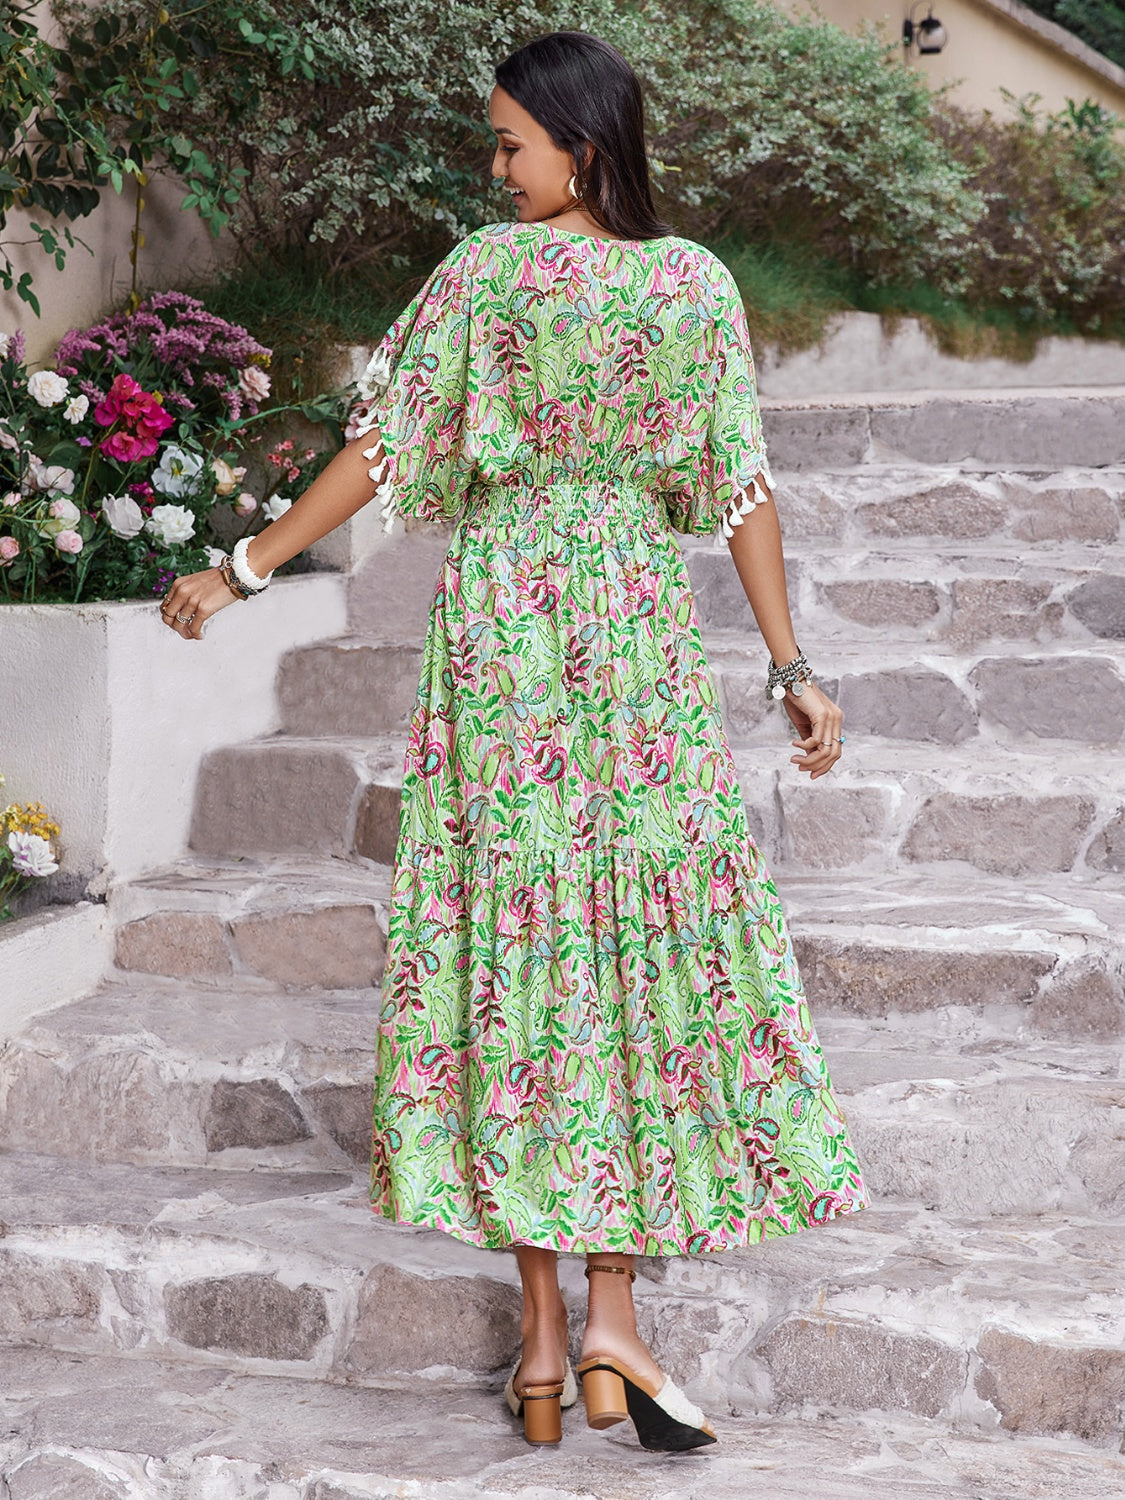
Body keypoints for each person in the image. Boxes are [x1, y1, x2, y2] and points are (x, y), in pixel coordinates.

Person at [161, 29, 868, 1455]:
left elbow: (386, 448)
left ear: (580, 146)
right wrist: (790, 666)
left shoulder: (486, 280)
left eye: (508, 145)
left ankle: (550, 1346)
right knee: (631, 952)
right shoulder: (693, 285)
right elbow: (736, 486)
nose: (493, 171)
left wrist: (243, 568)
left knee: (520, 958)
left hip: (504, 644)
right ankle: (602, 1328)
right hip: (634, 645)